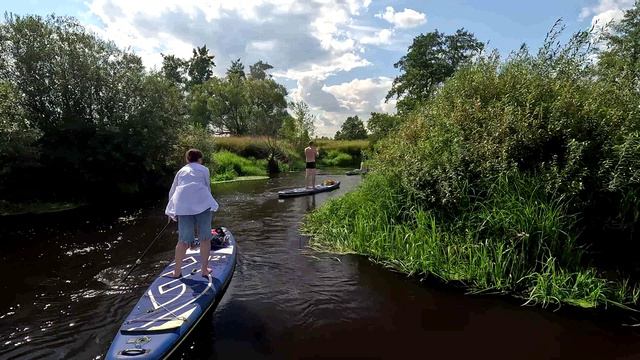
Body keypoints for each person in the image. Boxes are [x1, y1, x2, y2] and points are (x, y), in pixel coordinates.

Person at [165, 149, 219, 278]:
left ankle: (177, 272)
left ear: (187, 159)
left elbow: (173, 191)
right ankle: (204, 270)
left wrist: (170, 212)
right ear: (200, 159)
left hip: (183, 207)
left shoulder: (181, 171)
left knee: (183, 241)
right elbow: (207, 187)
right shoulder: (204, 169)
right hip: (202, 204)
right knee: (205, 238)